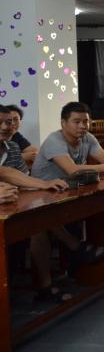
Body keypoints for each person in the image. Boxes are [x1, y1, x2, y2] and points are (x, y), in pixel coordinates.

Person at [30, 101, 104, 302]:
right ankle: (76, 251)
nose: (82, 126)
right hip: (39, 194)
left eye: (86, 122)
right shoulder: (54, 140)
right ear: (63, 123)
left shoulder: (88, 138)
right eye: (77, 122)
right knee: (41, 224)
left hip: (66, 192)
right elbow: (72, 170)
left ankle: (80, 255)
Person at [0, 105, 74, 302]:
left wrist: (44, 184)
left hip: (11, 208)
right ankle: (75, 247)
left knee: (37, 224)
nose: (5, 127)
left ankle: (44, 288)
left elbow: (13, 175)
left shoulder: (12, 147)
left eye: (9, 122)